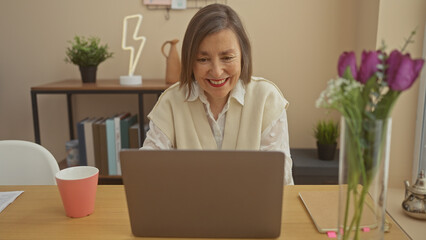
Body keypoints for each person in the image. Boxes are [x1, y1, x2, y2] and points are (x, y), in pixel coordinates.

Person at [142, 3, 294, 185]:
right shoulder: (171, 101)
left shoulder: (267, 98)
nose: (216, 71)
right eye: (203, 59)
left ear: (243, 56)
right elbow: (147, 171)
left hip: (251, 210)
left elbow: (279, 179)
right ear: (190, 61)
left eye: (227, 58)